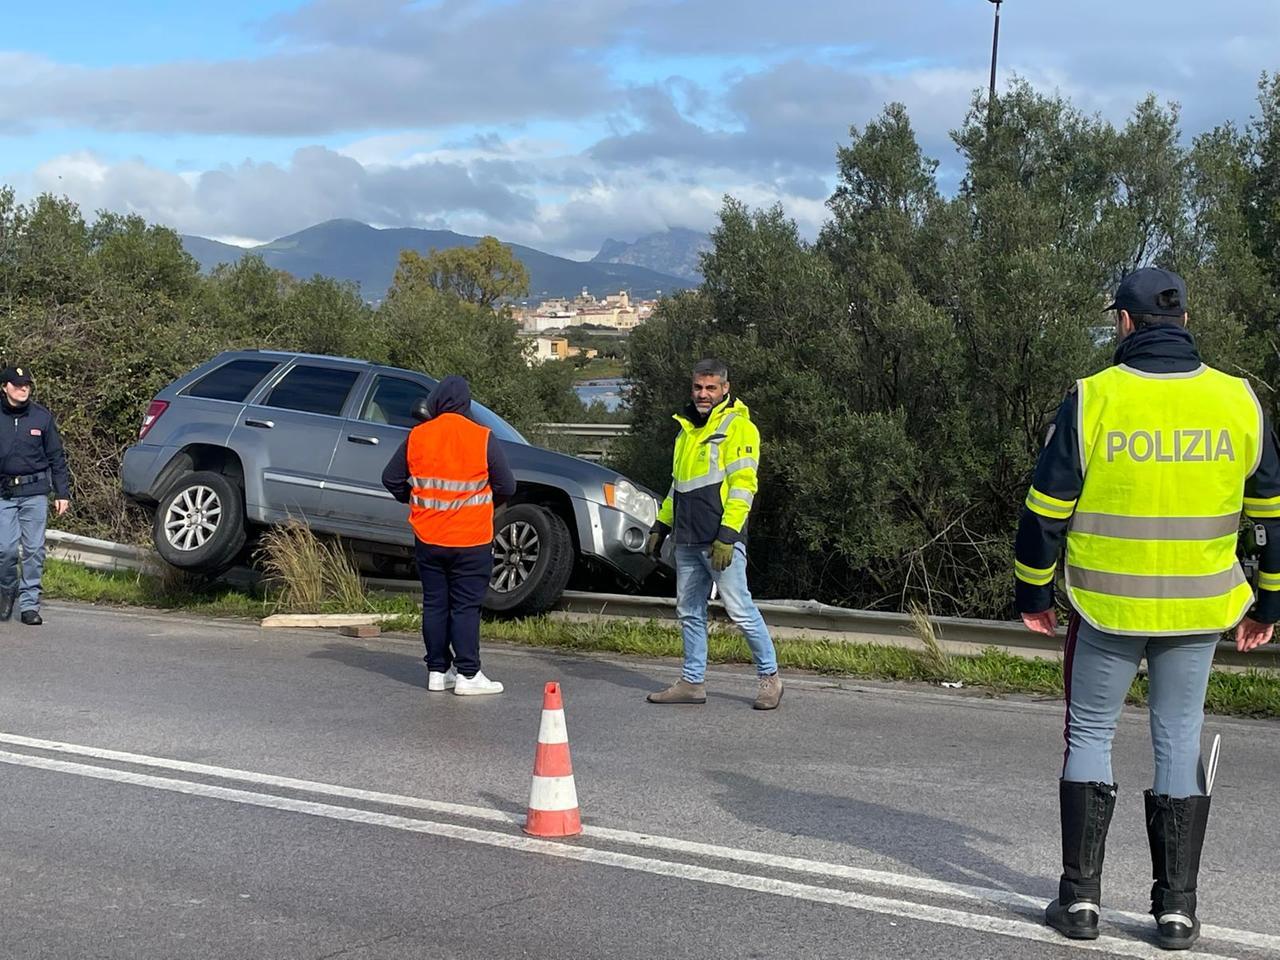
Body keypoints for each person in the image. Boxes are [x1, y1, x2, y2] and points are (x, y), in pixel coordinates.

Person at [1015, 268, 1280, 949]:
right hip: (1197, 609)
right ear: (1184, 319)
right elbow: (1271, 514)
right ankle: (1176, 912)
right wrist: (1268, 602)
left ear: (1126, 324)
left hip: (1106, 608)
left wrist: (1034, 592)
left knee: (1091, 736)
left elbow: (1046, 508)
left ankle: (1079, 903)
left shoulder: (1093, 397)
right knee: (1178, 739)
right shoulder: (1238, 400)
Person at [645, 358, 782, 710]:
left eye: (710, 388)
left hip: (720, 540)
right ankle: (692, 683)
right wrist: (662, 525)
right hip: (688, 538)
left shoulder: (739, 427)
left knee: (740, 609)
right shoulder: (686, 430)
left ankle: (770, 679)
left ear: (725, 389)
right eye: (698, 388)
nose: (703, 394)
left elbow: (743, 486)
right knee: (689, 611)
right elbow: (680, 486)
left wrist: (728, 534)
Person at [382, 375, 516, 696]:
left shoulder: (418, 436)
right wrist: (485, 503)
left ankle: (437, 671)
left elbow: (391, 478)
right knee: (465, 607)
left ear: (437, 402)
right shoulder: (482, 437)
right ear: (466, 405)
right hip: (471, 538)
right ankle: (468, 674)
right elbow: (507, 486)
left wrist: (413, 497)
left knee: (435, 604)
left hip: (429, 536)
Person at [0, 365, 70, 626]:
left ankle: (29, 605)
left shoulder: (41, 417)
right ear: (5, 387)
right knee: (5, 550)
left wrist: (62, 493)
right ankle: (7, 590)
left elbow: (56, 457)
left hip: (35, 492)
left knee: (33, 550)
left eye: (27, 385)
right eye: (17, 385)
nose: (23, 389)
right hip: (3, 493)